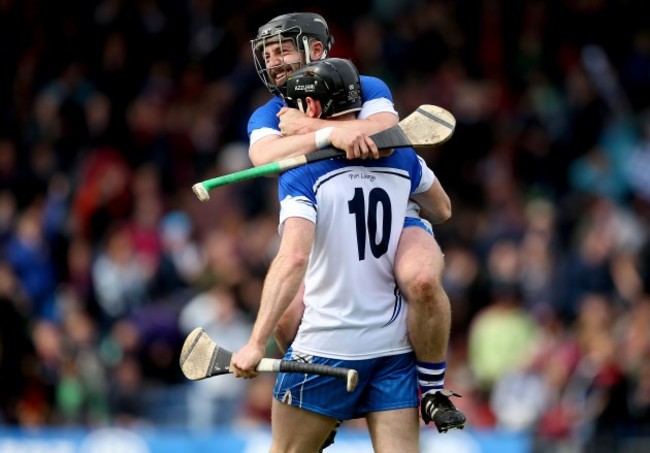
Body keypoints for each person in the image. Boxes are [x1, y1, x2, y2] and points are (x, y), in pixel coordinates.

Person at [247, 12, 466, 432]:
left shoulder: (367, 86)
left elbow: (386, 137)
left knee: (420, 278)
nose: (273, 61)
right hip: (329, 216)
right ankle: (319, 400)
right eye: (268, 54)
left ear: (314, 48)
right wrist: (336, 134)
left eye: (283, 50)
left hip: (396, 213)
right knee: (284, 316)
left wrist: (311, 128)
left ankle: (433, 389)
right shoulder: (269, 110)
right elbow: (263, 158)